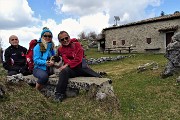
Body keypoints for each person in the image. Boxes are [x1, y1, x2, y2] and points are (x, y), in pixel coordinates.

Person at [54, 31, 101, 102]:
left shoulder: (77, 45)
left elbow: (78, 59)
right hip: (71, 70)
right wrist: (52, 62)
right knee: (63, 72)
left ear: (69, 37)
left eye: (66, 38)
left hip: (81, 67)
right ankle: (59, 94)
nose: (65, 40)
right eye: (62, 39)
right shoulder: (60, 49)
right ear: (59, 41)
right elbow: (57, 58)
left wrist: (67, 64)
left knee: (98, 77)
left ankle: (100, 75)